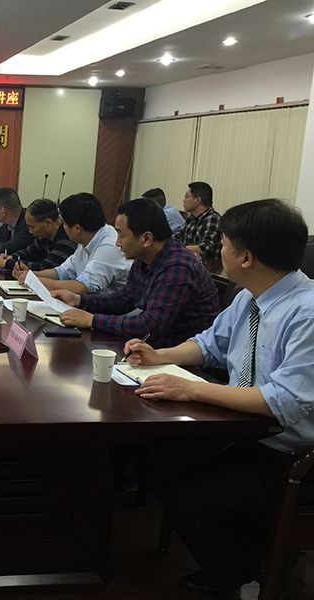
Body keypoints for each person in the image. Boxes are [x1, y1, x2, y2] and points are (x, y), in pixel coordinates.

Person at [125, 199, 314, 596]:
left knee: (193, 501)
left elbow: (282, 401)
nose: (217, 251)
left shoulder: (307, 313)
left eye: (224, 244)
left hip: (292, 454)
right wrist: (161, 355)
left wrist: (191, 388)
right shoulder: (249, 296)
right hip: (246, 433)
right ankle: (244, 554)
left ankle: (247, 577)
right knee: (158, 462)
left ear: (245, 257)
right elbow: (210, 344)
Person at [53, 198, 219, 347]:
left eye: (121, 235)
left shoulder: (178, 267)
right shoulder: (144, 258)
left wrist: (92, 320)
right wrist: (79, 299)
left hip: (181, 356)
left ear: (146, 239)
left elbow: (150, 326)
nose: (117, 243)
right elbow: (124, 299)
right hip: (156, 348)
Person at [23, 192, 130, 293]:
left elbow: (84, 287)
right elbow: (62, 272)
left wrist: (34, 281)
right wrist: (30, 275)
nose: (62, 227)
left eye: (64, 223)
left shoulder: (109, 246)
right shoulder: (86, 239)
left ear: (77, 228)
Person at [0, 198, 76, 276]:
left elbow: (45, 268)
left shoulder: (66, 239)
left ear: (48, 223)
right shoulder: (44, 235)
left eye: (32, 227)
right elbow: (29, 252)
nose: (30, 231)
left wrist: (8, 263)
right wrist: (12, 257)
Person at [174, 181, 221, 262]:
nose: (183, 200)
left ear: (197, 200)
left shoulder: (213, 218)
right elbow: (177, 236)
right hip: (188, 262)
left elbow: (207, 247)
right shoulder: (191, 217)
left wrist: (178, 249)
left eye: (187, 197)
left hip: (205, 267)